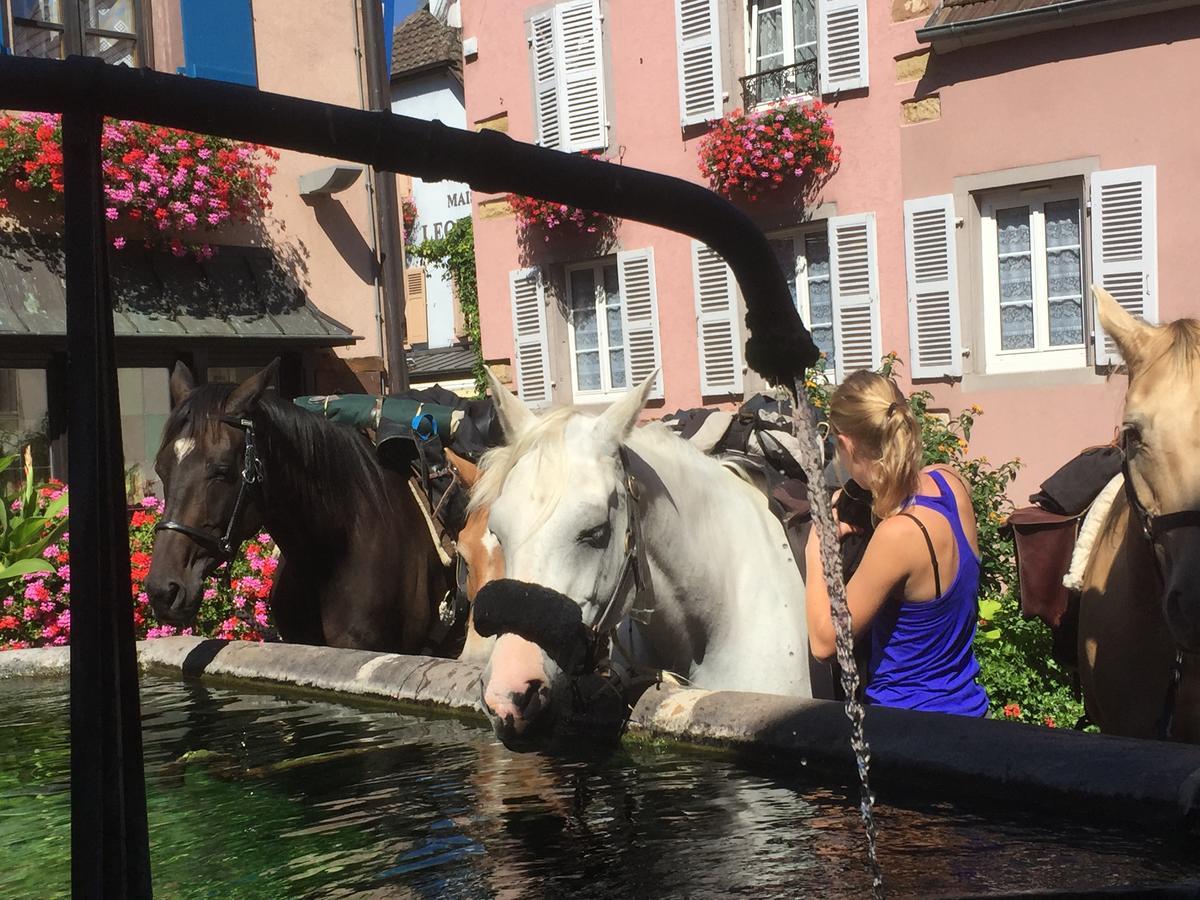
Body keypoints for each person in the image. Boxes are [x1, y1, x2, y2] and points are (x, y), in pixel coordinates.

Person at [804, 371, 989, 716]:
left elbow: (826, 643)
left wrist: (817, 551)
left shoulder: (899, 535)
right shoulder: (950, 482)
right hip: (970, 713)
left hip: (909, 731)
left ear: (845, 444)